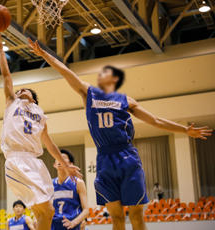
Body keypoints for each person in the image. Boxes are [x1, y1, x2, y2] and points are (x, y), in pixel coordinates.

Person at [28, 39, 213, 230]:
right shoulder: (88, 92)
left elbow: (155, 121)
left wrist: (184, 130)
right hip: (104, 158)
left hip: (127, 157)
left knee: (136, 214)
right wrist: (44, 55)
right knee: (115, 217)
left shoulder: (126, 100)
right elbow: (66, 72)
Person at [0, 33, 82, 230]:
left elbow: (49, 144)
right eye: (18, 91)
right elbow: (6, 75)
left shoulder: (40, 115)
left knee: (48, 212)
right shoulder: (11, 103)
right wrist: (0, 48)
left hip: (36, 162)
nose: (20, 92)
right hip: (17, 160)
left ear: (33, 98)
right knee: (44, 209)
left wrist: (66, 167)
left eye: (25, 91)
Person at [52, 149, 89, 230]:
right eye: (58, 158)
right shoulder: (50, 184)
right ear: (54, 164)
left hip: (72, 224)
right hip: (54, 225)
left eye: (64, 158)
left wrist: (74, 222)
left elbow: (86, 210)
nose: (60, 160)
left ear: (71, 164)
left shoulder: (78, 182)